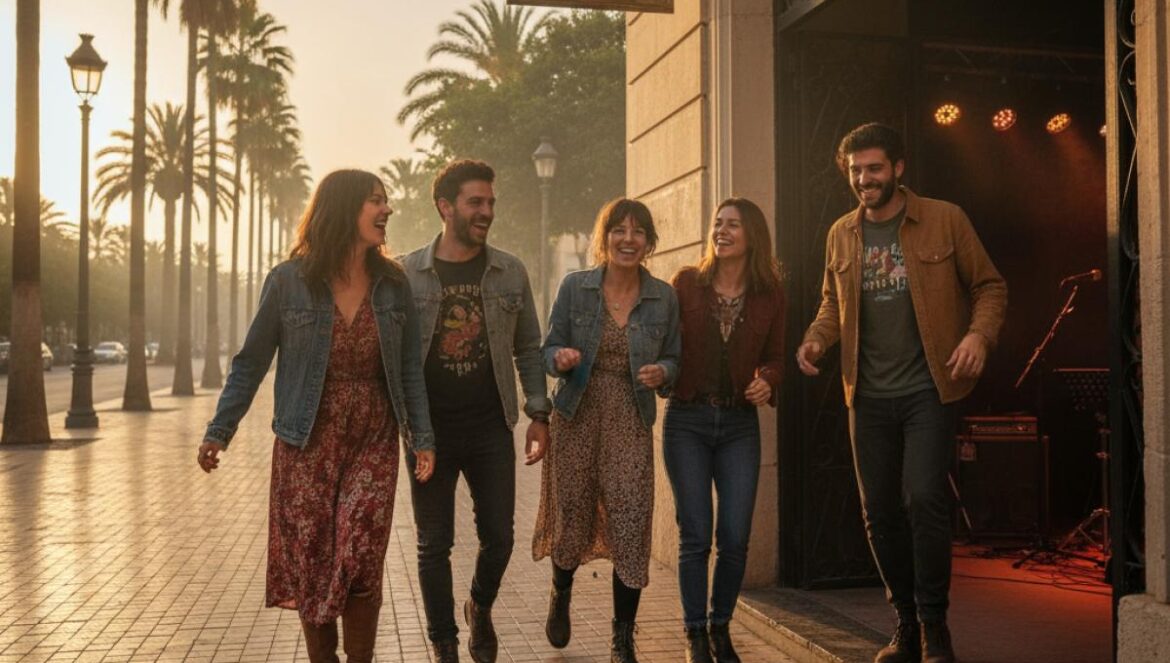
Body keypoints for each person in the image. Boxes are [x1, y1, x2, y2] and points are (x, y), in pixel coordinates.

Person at [197, 169, 436, 663]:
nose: (386, 210)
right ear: (344, 208)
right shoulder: (289, 281)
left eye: (385, 202)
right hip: (305, 442)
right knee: (314, 562)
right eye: (376, 201)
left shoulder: (394, 285)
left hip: (372, 436)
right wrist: (220, 430)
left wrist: (422, 438)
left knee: (361, 551)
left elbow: (410, 367)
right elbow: (252, 360)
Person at [796, 123, 1007, 663]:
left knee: (924, 498)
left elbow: (990, 285)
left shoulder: (945, 218)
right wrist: (816, 340)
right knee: (878, 511)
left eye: (874, 169)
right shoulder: (842, 233)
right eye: (856, 171)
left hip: (928, 390)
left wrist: (979, 336)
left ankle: (936, 625)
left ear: (898, 168)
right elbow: (830, 304)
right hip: (865, 396)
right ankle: (906, 624)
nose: (864, 180)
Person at [399, 159, 552, 663]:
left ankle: (479, 606)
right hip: (429, 433)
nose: (486, 211)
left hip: (490, 426)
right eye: (475, 202)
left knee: (501, 538)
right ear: (446, 207)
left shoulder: (509, 271)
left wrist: (538, 411)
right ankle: (444, 645)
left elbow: (528, 346)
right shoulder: (406, 274)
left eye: (490, 202)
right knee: (433, 543)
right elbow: (389, 353)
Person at [532, 197, 680, 663]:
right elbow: (549, 346)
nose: (628, 239)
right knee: (571, 512)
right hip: (577, 413)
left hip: (629, 418)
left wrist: (663, 372)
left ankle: (622, 637)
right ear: (605, 237)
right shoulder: (576, 288)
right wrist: (559, 358)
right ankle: (561, 590)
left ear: (650, 242)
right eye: (619, 230)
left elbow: (676, 357)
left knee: (631, 519)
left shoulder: (663, 296)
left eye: (638, 232)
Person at [665, 197, 786, 663]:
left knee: (734, 536)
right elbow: (665, 345)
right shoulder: (686, 285)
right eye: (717, 223)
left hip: (739, 424)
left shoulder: (770, 292)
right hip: (688, 420)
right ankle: (695, 632)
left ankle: (720, 627)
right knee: (695, 533)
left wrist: (767, 380)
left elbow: (776, 357)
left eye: (733, 224)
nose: (722, 230)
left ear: (752, 235)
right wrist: (661, 373)